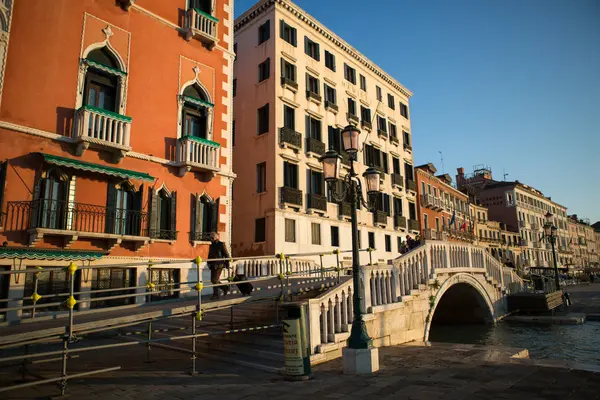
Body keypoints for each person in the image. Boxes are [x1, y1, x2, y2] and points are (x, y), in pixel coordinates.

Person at [207, 232, 230, 300]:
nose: (211, 239)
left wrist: (227, 264)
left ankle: (216, 295)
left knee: (214, 280)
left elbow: (226, 255)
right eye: (210, 237)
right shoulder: (211, 245)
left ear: (216, 237)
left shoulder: (221, 244)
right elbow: (209, 255)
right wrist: (208, 263)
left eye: (212, 237)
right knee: (213, 280)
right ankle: (225, 287)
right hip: (213, 265)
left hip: (219, 264)